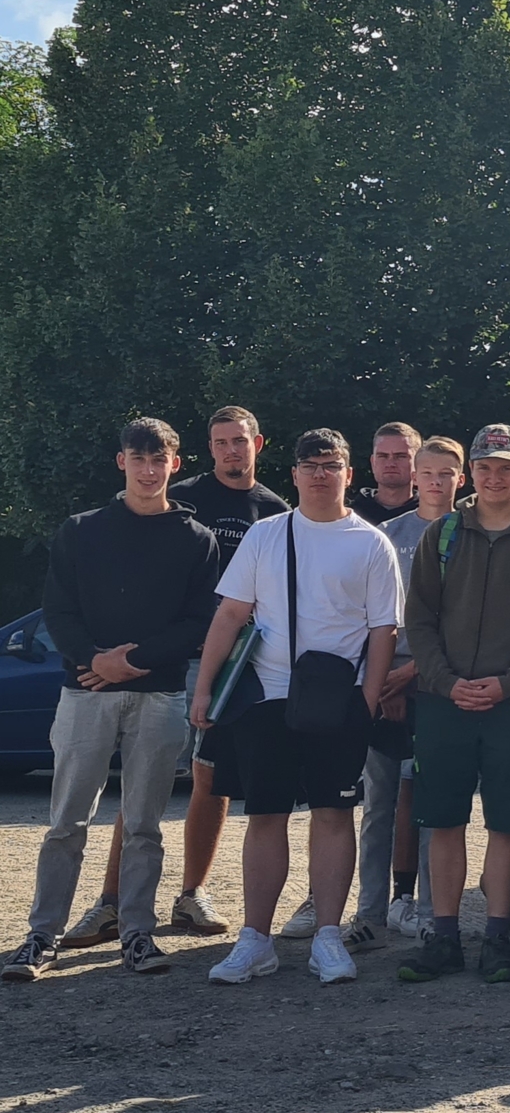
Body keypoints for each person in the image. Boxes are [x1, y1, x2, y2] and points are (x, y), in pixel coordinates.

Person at [2, 420, 221, 983]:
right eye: (138, 458)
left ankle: (136, 935)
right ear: (121, 461)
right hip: (87, 693)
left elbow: (199, 621)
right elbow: (59, 607)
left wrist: (134, 660)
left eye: (160, 460)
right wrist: (93, 661)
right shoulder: (81, 530)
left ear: (175, 464)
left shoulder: (196, 538)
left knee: (145, 824)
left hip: (159, 693)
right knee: (66, 822)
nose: (149, 470)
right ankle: (41, 935)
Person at [70, 406, 288, 949]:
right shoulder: (181, 497)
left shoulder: (276, 510)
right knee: (146, 783)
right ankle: (111, 903)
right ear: (207, 450)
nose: (231, 451)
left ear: (258, 444)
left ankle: (192, 894)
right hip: (176, 658)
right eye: (221, 443)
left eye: (240, 441)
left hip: (244, 661)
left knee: (210, 776)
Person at [193, 428, 402, 986]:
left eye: (330, 465)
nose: (318, 473)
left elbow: (384, 629)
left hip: (339, 702)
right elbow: (231, 614)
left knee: (334, 816)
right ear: (294, 473)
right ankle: (255, 940)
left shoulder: (370, 543)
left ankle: (328, 936)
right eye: (309, 464)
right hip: (266, 695)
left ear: (348, 474)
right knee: (265, 815)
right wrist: (204, 689)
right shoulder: (266, 534)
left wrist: (367, 698)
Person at [397, 424, 510, 987]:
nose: (496, 476)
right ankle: (443, 936)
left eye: (507, 466)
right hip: (444, 701)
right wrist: (446, 682)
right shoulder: (443, 534)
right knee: (443, 821)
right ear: (471, 472)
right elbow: (418, 618)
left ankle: (497, 937)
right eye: (486, 466)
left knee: (505, 824)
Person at [352, 435, 465, 947]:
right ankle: (369, 914)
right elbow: (371, 615)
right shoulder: (384, 535)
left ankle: (424, 910)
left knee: (431, 804)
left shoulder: (472, 534)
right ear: (413, 477)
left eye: (447, 473)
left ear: (460, 478)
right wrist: (383, 681)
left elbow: (464, 622)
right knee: (376, 804)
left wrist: (416, 672)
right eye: (428, 473)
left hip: (439, 686)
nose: (436, 482)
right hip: (384, 687)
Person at [350, 422, 420, 524]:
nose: (390, 464)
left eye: (400, 456)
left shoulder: (430, 518)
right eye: (383, 456)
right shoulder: (350, 516)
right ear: (373, 462)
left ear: (418, 462)